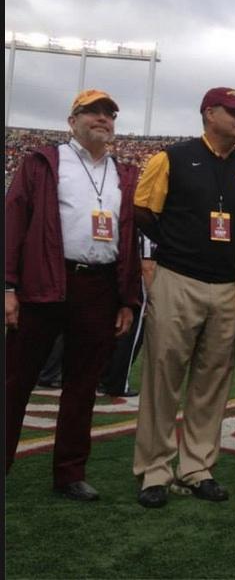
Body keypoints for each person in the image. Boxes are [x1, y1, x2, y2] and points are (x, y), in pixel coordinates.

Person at [132, 87, 235, 508]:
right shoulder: (171, 158)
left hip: (227, 286)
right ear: (209, 114)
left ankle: (196, 467)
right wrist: (174, 246)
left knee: (212, 382)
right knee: (163, 377)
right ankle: (154, 470)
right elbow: (142, 211)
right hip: (178, 278)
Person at [5, 89, 140, 501]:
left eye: (110, 114)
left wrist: (127, 299)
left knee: (82, 386)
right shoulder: (43, 162)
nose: (103, 119)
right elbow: (14, 221)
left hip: (99, 286)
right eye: (93, 112)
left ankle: (69, 473)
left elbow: (130, 240)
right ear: (72, 120)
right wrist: (8, 286)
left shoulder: (124, 174)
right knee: (16, 380)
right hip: (45, 280)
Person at [98, 233, 156, 397]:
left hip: (118, 280)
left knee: (117, 329)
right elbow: (148, 266)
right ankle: (118, 382)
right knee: (132, 335)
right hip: (137, 285)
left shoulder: (129, 227)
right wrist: (153, 297)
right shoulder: (146, 233)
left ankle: (105, 377)